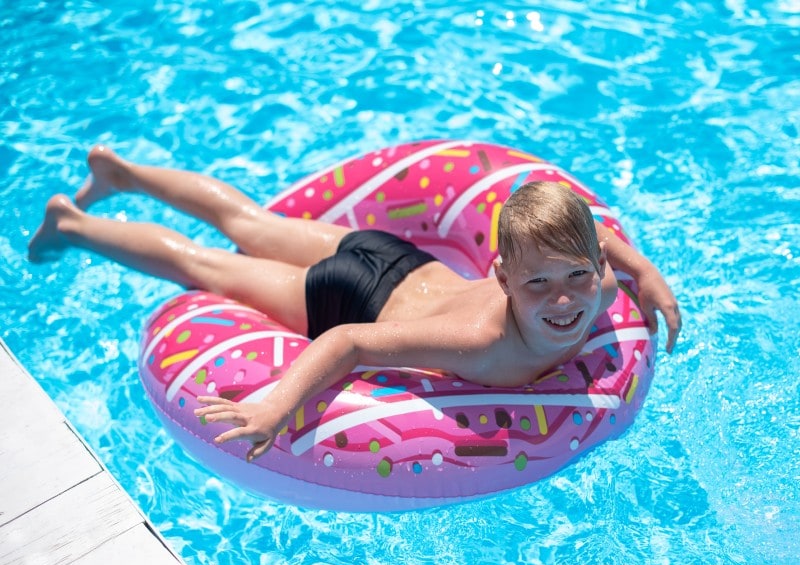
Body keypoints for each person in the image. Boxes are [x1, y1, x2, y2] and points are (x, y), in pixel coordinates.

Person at [29, 145, 682, 462]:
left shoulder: (594, 287)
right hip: (350, 297)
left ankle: (124, 175)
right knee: (203, 265)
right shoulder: (483, 344)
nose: (562, 299)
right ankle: (73, 224)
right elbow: (348, 343)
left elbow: (601, 243)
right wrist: (275, 405)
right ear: (503, 279)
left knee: (251, 224)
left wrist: (644, 271)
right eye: (538, 284)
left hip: (397, 255)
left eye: (575, 277)